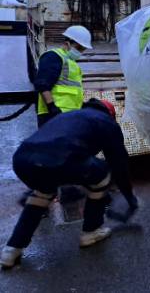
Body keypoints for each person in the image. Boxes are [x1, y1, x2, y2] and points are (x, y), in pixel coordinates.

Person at [0, 99, 137, 269]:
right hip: (61, 158)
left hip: (23, 159)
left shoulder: (70, 116)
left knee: (42, 194)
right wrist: (129, 195)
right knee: (103, 177)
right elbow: (119, 163)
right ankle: (91, 231)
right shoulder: (106, 122)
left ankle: (11, 250)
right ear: (111, 115)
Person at [35, 25, 93, 127]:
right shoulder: (53, 56)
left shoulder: (72, 63)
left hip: (70, 115)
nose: (80, 52)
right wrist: (52, 107)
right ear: (67, 43)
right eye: (79, 48)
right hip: (53, 115)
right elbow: (42, 84)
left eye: (83, 49)